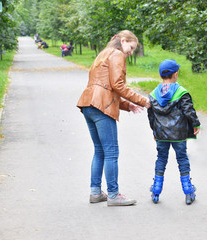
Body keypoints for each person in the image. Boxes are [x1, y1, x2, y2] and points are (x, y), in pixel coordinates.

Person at [77, 30, 151, 206]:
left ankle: (95, 193)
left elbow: (105, 87)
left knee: (99, 150)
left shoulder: (102, 54)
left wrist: (128, 105)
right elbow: (117, 85)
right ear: (123, 40)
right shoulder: (117, 54)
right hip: (102, 108)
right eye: (131, 47)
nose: (131, 52)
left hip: (89, 105)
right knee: (111, 152)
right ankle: (113, 194)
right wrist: (143, 100)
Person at [147, 59, 201, 205]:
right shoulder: (181, 92)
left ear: (160, 76)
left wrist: (154, 131)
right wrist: (195, 124)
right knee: (182, 159)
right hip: (178, 135)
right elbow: (189, 111)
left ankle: (156, 190)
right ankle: (188, 191)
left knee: (161, 159)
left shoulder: (153, 94)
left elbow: (151, 115)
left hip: (161, 135)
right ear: (176, 74)